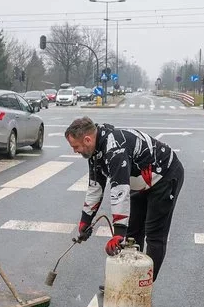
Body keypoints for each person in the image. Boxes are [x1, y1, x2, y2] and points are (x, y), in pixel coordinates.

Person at [65, 116, 184, 283]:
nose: (75, 151)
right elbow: (95, 187)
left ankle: (143, 286)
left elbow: (119, 190)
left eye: (75, 146)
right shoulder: (95, 152)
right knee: (132, 234)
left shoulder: (115, 149)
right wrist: (85, 221)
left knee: (154, 235)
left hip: (165, 177)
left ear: (87, 139)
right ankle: (128, 283)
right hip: (142, 182)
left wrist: (118, 233)